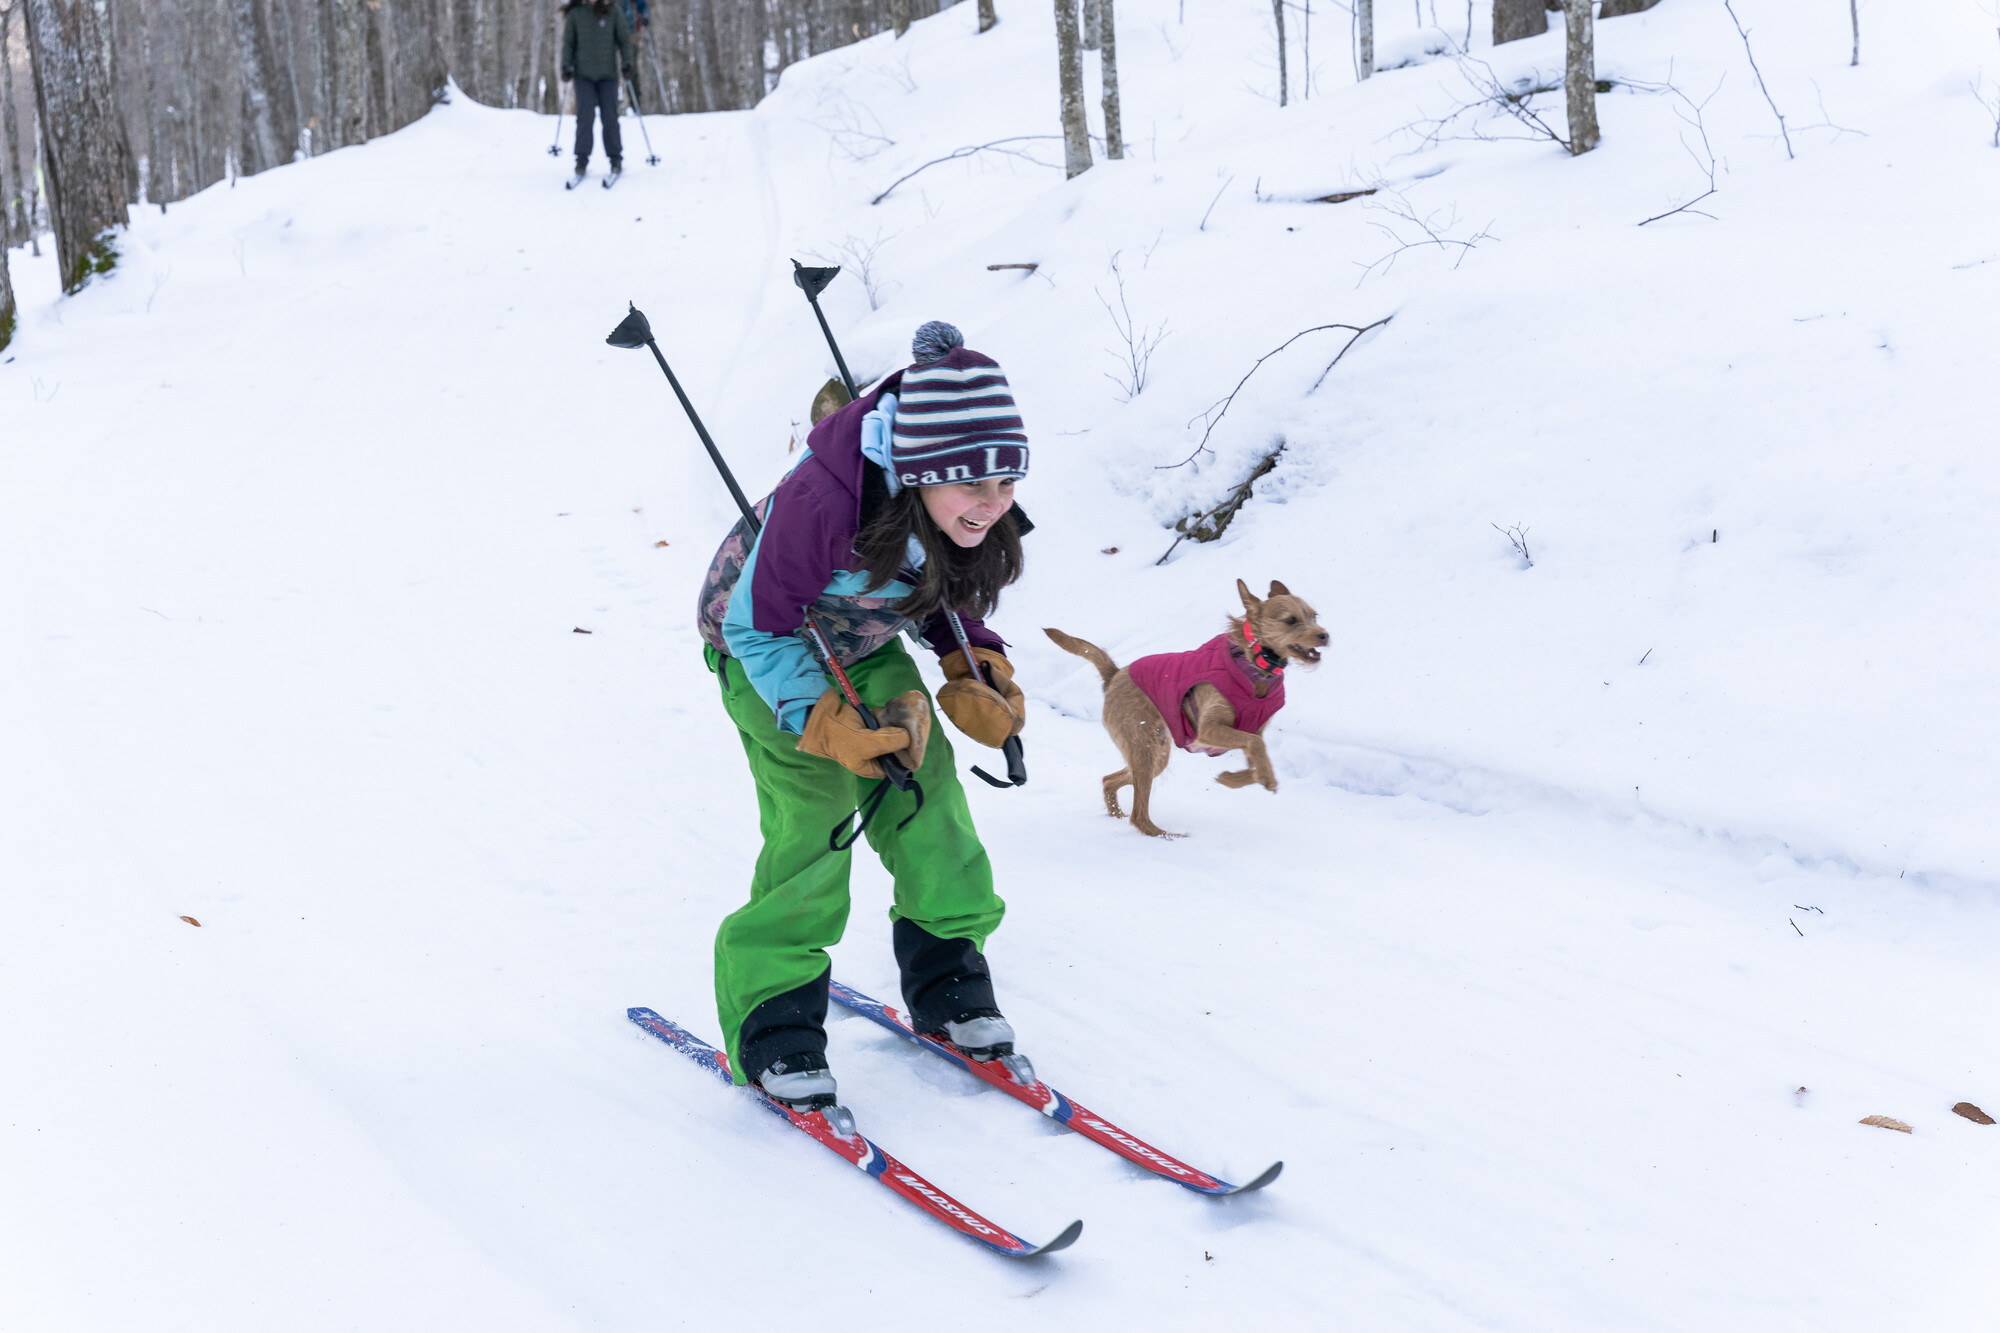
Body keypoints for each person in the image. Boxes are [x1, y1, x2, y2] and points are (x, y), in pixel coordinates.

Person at [695, 320, 1032, 1112]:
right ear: (917, 470)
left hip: (862, 637)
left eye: (1008, 483)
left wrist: (970, 662)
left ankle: (950, 977)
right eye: (972, 487)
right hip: (765, 647)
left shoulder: (965, 488)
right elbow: (757, 624)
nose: (991, 505)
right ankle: (772, 1017)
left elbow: (946, 592)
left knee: (928, 789)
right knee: (816, 812)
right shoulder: (824, 500)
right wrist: (823, 721)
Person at [560, 0, 635, 179]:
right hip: (583, 76)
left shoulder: (612, 11)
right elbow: (568, 43)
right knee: (585, 119)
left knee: (610, 118)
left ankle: (615, 160)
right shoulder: (575, 14)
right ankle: (581, 161)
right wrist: (566, 66)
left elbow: (624, 40)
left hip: (607, 75)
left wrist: (627, 63)